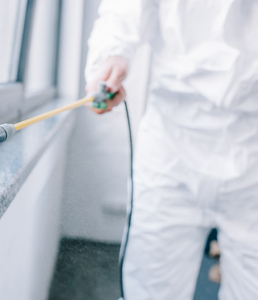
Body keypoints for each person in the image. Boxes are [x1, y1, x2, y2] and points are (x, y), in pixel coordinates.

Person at [84, 1, 258, 299]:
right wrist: (110, 55)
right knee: (151, 287)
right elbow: (123, 11)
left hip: (252, 147)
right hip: (171, 144)